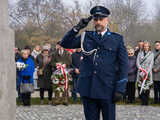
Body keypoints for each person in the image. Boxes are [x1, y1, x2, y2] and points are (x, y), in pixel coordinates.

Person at [60, 6, 129, 120]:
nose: (98, 22)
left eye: (101, 19)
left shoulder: (117, 39)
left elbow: (124, 65)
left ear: (107, 20)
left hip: (108, 88)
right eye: (96, 19)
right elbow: (65, 43)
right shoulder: (86, 36)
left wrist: (120, 88)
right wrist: (77, 28)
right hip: (88, 88)